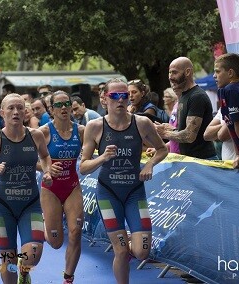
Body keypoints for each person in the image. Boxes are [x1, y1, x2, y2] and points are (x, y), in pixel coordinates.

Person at [79, 78, 168, 284]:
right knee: (120, 251)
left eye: (124, 95)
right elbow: (83, 167)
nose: (120, 100)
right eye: (114, 96)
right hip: (108, 194)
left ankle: (129, 241)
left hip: (134, 193)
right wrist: (102, 158)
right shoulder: (94, 127)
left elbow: (163, 149)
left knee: (142, 252)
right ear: (105, 99)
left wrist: (149, 164)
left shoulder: (142, 123)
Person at [0, 93, 52, 284]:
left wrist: (47, 172)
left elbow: (46, 157)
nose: (16, 112)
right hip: (3, 208)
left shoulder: (36, 135)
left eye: (20, 108)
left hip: (30, 205)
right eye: (11, 108)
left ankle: (25, 271)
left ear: (25, 111)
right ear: (2, 112)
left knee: (33, 254)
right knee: (8, 259)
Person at [38, 91, 85, 284]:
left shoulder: (81, 131)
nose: (64, 108)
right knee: (56, 243)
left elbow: (89, 154)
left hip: (72, 186)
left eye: (67, 104)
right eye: (58, 105)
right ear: (51, 109)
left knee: (76, 231)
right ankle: (42, 226)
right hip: (50, 189)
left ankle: (68, 277)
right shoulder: (43, 132)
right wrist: (47, 168)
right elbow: (29, 160)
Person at [156, 57, 217, 159]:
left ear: (188, 72)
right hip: (189, 160)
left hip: (202, 160)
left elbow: (189, 136)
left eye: (174, 72)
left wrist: (165, 133)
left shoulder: (197, 96)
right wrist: (170, 128)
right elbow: (185, 130)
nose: (170, 77)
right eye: (169, 73)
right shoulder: (183, 96)